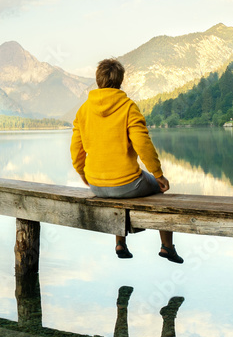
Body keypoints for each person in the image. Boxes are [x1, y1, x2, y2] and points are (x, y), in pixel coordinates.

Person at [70, 57, 183, 263]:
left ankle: (120, 242)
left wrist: (83, 175)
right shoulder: (128, 107)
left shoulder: (83, 110)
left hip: (96, 186)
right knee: (159, 190)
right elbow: (143, 145)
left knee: (117, 192)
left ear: (98, 81)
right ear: (120, 81)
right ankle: (167, 246)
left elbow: (76, 151)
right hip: (128, 184)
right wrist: (158, 175)